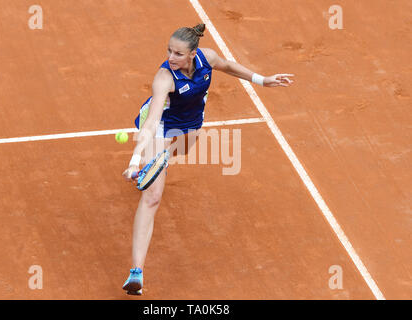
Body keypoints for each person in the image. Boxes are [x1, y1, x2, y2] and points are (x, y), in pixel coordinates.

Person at [121, 23, 294, 295]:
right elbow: (152, 120)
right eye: (169, 51)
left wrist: (263, 79)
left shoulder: (207, 59)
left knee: (185, 150)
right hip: (162, 126)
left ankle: (160, 161)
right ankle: (136, 273)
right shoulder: (164, 78)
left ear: (193, 54)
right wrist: (134, 160)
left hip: (191, 124)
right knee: (152, 197)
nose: (171, 57)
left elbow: (229, 66)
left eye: (178, 53)